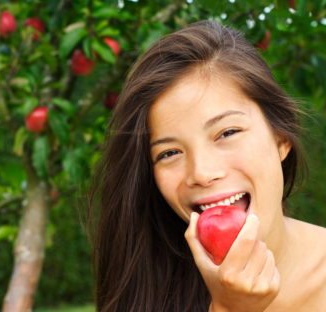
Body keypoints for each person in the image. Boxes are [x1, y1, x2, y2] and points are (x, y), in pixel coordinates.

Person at [88, 20, 326, 311]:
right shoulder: (146, 284)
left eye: (227, 133)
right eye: (170, 153)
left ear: (281, 139)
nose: (201, 173)